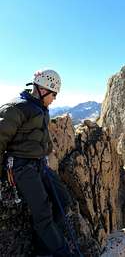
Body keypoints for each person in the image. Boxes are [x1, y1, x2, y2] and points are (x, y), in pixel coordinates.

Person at [0, 69, 74, 257]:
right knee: (43, 214)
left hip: (39, 164)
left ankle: (45, 245)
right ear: (43, 90)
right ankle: (59, 252)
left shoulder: (40, 109)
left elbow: (42, 137)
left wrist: (48, 152)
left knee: (63, 200)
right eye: (54, 94)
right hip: (21, 166)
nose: (55, 99)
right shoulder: (16, 108)